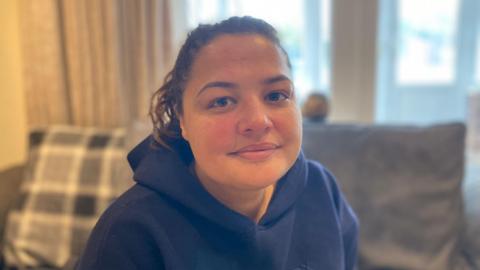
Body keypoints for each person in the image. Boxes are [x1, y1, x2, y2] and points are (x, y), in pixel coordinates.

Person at [76, 16, 358, 270]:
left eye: (276, 96)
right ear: (182, 121)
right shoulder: (130, 233)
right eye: (221, 101)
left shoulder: (322, 191)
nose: (258, 121)